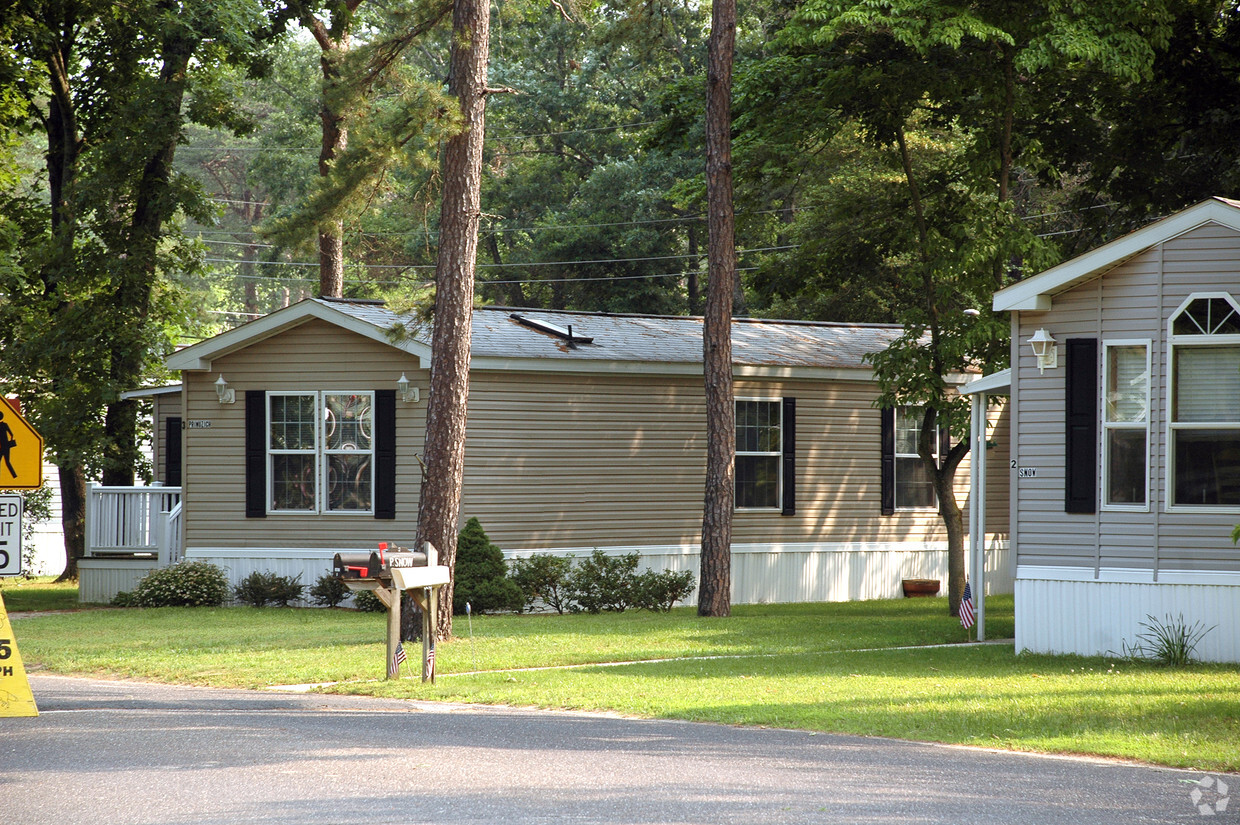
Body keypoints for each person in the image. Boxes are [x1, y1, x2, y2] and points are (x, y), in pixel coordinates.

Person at [0, 410, 17, 478]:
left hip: (2, 446)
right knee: (7, 462)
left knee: (6, 462)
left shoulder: (3, 425)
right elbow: (11, 434)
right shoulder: (5, 424)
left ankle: (14, 475)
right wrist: (10, 441)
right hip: (6, 445)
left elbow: (11, 434)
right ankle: (14, 475)